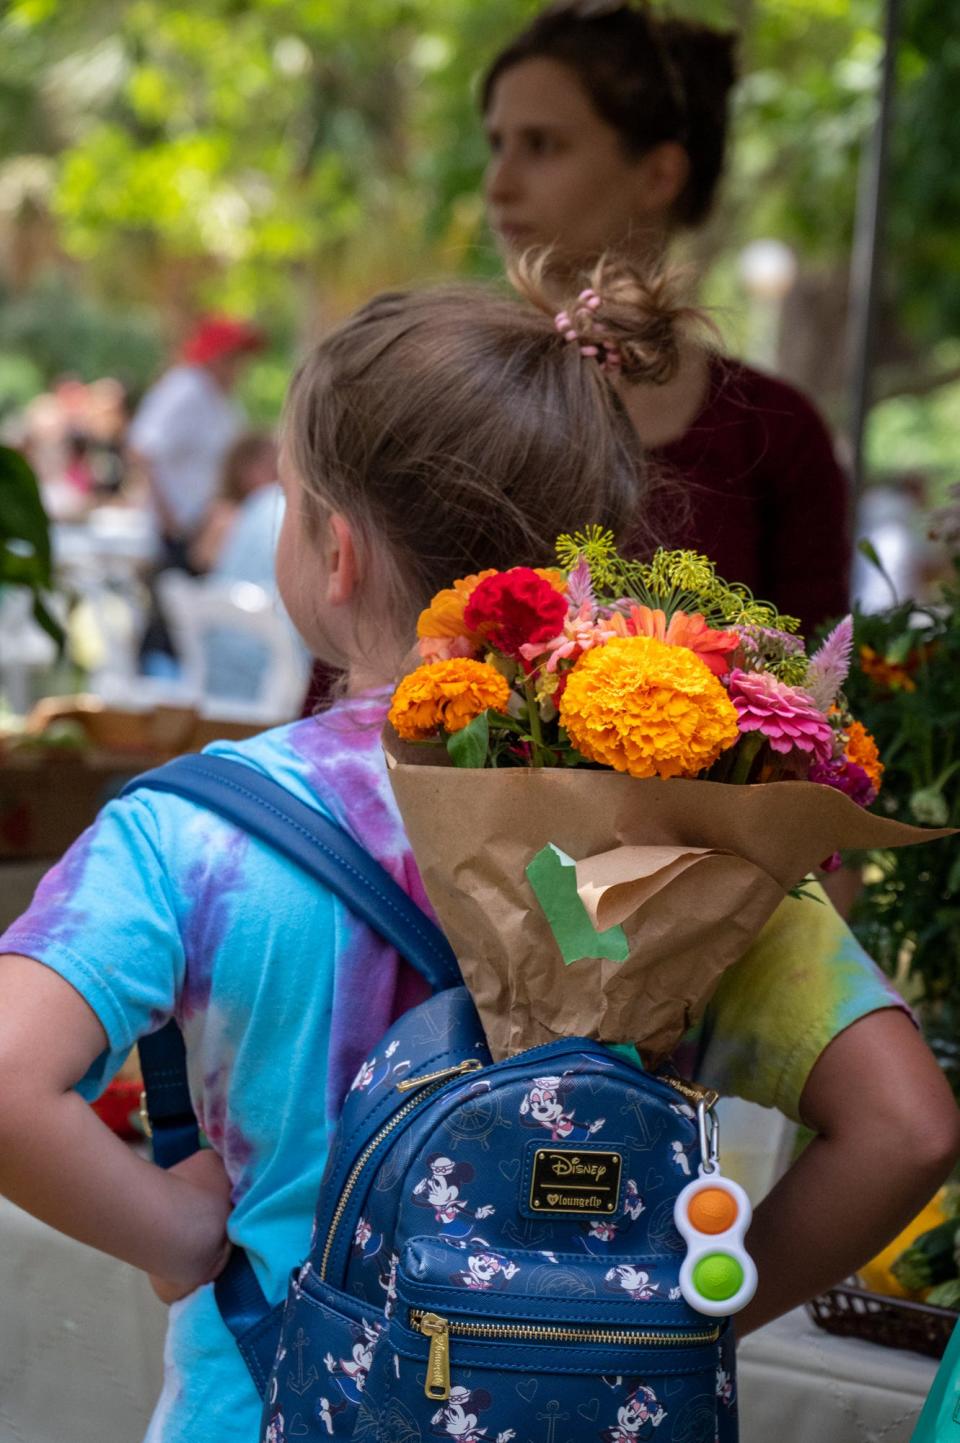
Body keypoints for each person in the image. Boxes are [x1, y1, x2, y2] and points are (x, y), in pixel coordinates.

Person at [0, 263, 956, 1443]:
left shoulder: (193, 831)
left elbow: (5, 1080)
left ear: (334, 551)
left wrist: (177, 1233)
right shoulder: (693, 830)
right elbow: (908, 1127)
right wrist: (678, 1313)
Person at [482, 0, 852, 638]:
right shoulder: (445, 397)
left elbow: (818, 699)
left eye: (541, 145)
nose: (498, 183)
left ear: (658, 174)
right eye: (497, 144)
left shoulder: (776, 434)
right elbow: (354, 677)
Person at [128, 315, 266, 572]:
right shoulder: (186, 389)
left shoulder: (221, 397)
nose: (241, 367)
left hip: (204, 528)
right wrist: (169, 519)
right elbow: (142, 449)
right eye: (235, 358)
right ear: (217, 357)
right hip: (181, 531)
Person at [190, 431, 279, 576]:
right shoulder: (224, 512)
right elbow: (202, 560)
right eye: (269, 466)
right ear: (242, 470)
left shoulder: (270, 508)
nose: (277, 473)